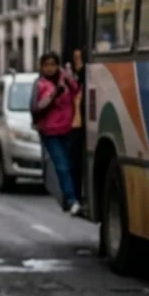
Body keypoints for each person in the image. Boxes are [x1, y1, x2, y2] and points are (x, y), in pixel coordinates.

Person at [32, 51, 82, 215]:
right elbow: (41, 105)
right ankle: (71, 200)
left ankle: (74, 197)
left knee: (71, 165)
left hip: (68, 129)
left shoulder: (64, 79)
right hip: (50, 132)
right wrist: (55, 94)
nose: (50, 68)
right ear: (41, 67)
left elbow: (77, 91)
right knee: (61, 166)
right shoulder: (41, 84)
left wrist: (70, 77)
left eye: (53, 64)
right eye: (46, 65)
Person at [69, 48, 86, 200]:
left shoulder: (85, 76)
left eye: (79, 57)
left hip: (81, 125)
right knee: (74, 163)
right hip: (73, 126)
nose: (77, 60)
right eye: (75, 57)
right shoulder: (73, 78)